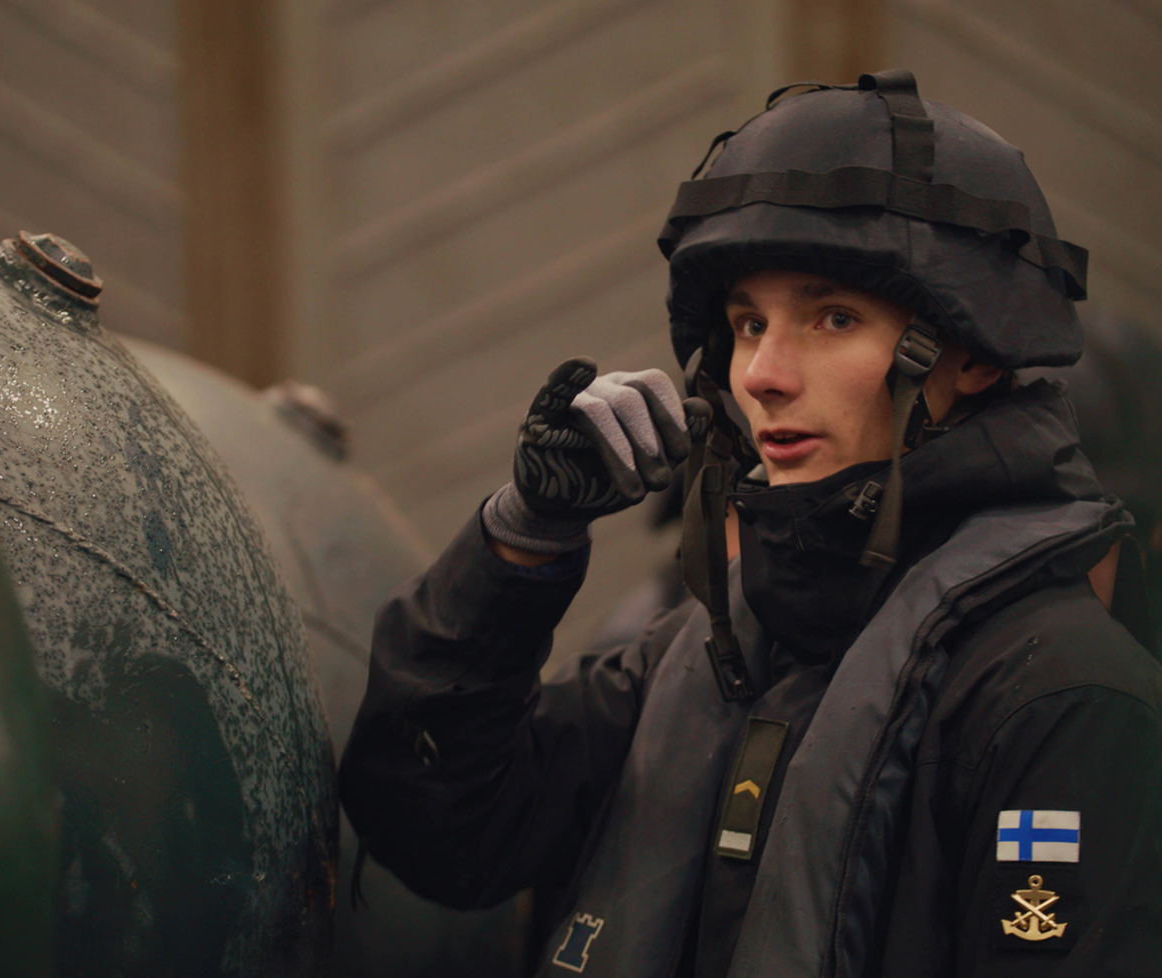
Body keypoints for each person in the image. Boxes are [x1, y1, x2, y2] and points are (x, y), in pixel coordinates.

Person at [339, 70, 1162, 977]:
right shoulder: (700, 654)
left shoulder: (1061, 700)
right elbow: (440, 828)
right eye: (745, 324)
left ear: (973, 356)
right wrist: (524, 535)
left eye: (833, 318)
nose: (763, 373)